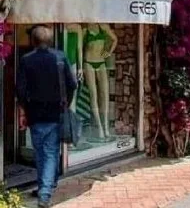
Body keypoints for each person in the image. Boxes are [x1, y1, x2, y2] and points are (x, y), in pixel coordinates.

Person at [16, 25, 77, 208]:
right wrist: (66, 102)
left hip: (35, 114)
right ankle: (46, 186)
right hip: (55, 112)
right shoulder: (60, 57)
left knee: (41, 152)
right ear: (50, 40)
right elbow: (72, 84)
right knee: (49, 152)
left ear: (33, 41)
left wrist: (23, 111)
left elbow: (20, 90)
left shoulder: (26, 60)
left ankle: (44, 191)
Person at [82, 23, 117, 140]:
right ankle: (99, 128)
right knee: (93, 94)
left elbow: (114, 39)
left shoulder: (103, 27)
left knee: (104, 94)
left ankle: (106, 126)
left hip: (101, 62)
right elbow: (79, 48)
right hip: (88, 62)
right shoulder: (85, 30)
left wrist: (109, 51)